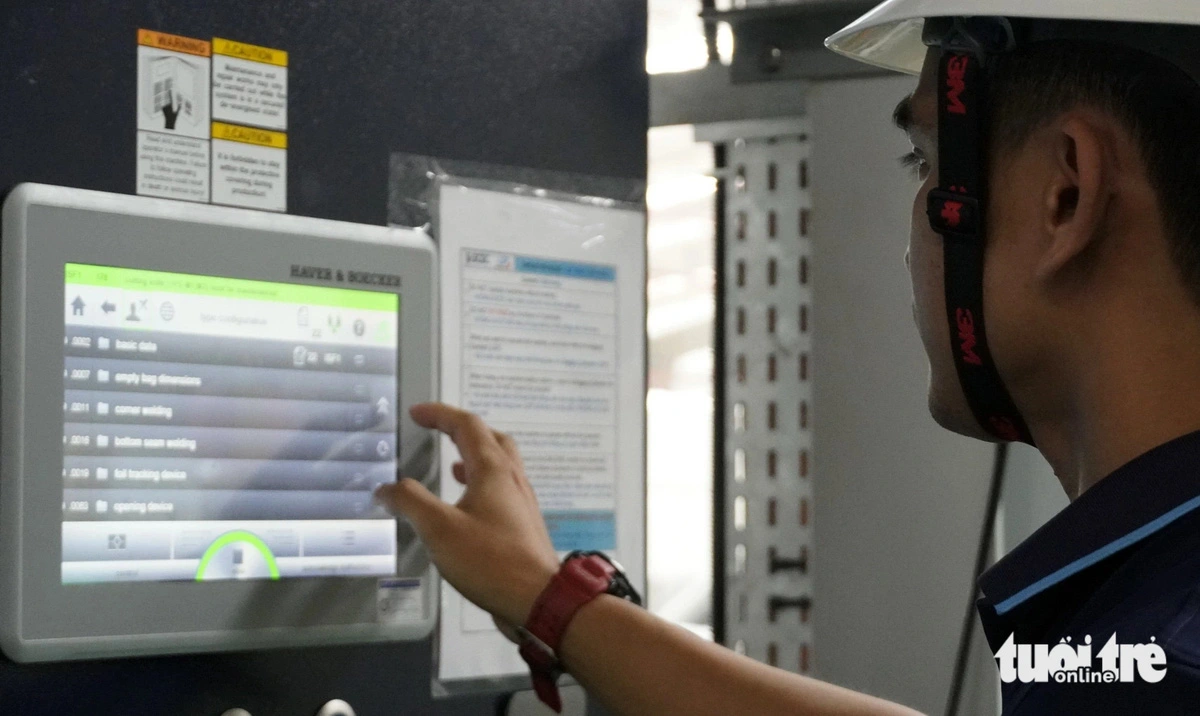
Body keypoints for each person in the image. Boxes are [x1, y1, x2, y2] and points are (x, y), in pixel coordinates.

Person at [376, 2, 1200, 713]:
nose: (910, 244)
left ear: (1066, 193)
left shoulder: (1168, 651)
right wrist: (551, 598)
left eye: (928, 163)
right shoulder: (1158, 614)